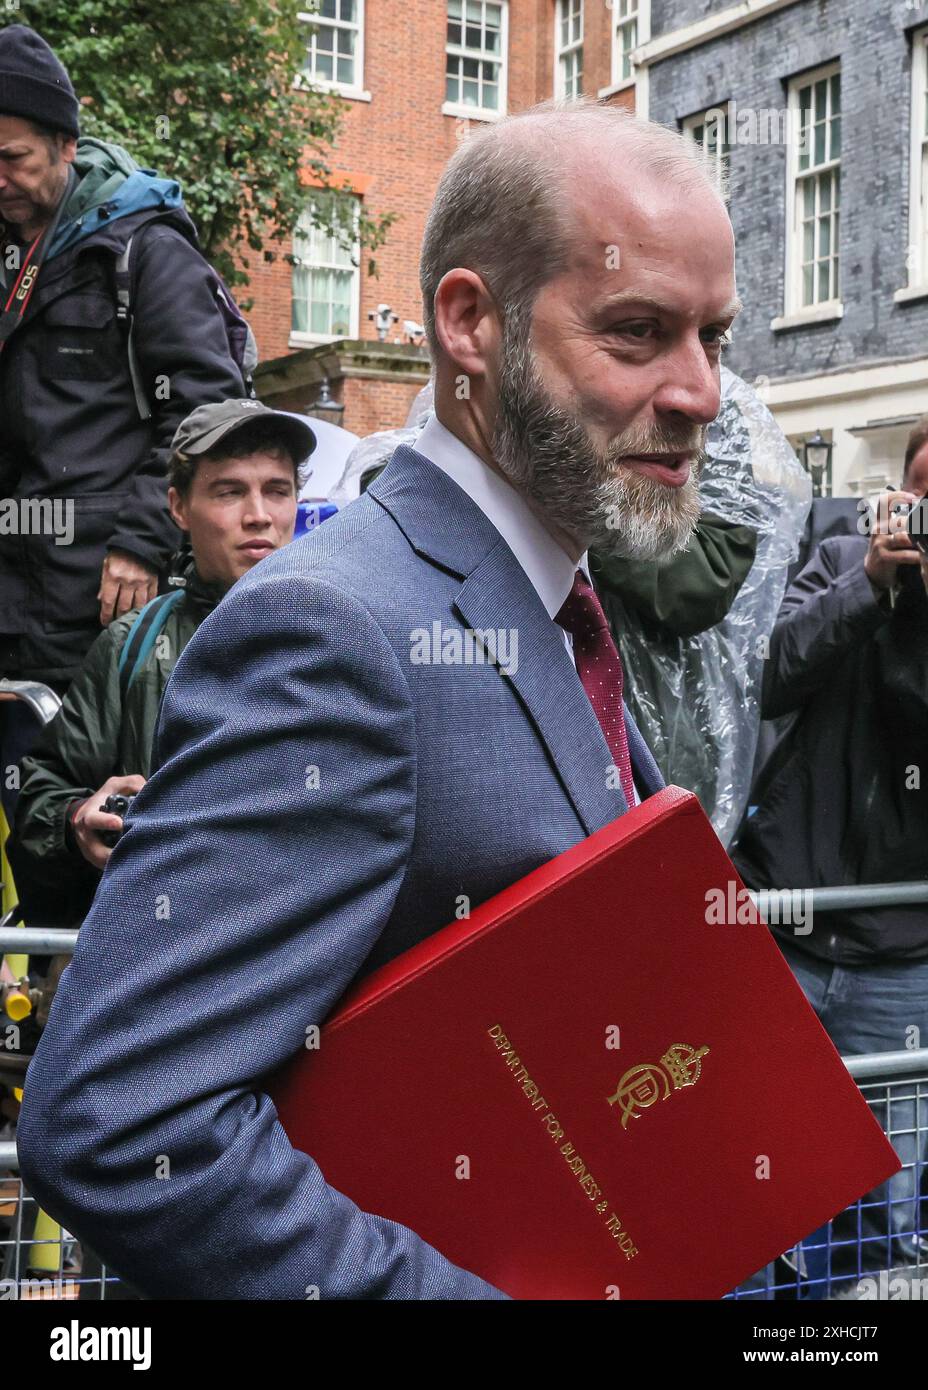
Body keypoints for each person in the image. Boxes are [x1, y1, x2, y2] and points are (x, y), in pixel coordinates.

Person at [17, 97, 739, 1299]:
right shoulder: (333, 629)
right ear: (468, 323)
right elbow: (117, 1123)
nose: (700, 391)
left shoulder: (551, 598)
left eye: (713, 335)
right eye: (637, 332)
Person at [0, 25, 247, 818]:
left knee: (84, 820)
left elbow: (208, 403)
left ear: (67, 145)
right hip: (13, 598)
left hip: (96, 606)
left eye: (13, 159)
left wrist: (142, 540)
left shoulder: (143, 251)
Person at [732, 415, 928, 1270]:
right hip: (787, 930)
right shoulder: (845, 557)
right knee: (751, 1174)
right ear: (898, 494)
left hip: (901, 954)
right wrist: (872, 590)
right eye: (924, 488)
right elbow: (768, 678)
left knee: (877, 1207)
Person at [8, 401, 314, 932]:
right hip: (162, 958)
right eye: (230, 491)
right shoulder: (132, 644)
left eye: (277, 489)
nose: (259, 514)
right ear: (178, 507)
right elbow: (40, 793)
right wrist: (78, 820)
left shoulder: (340, 635)